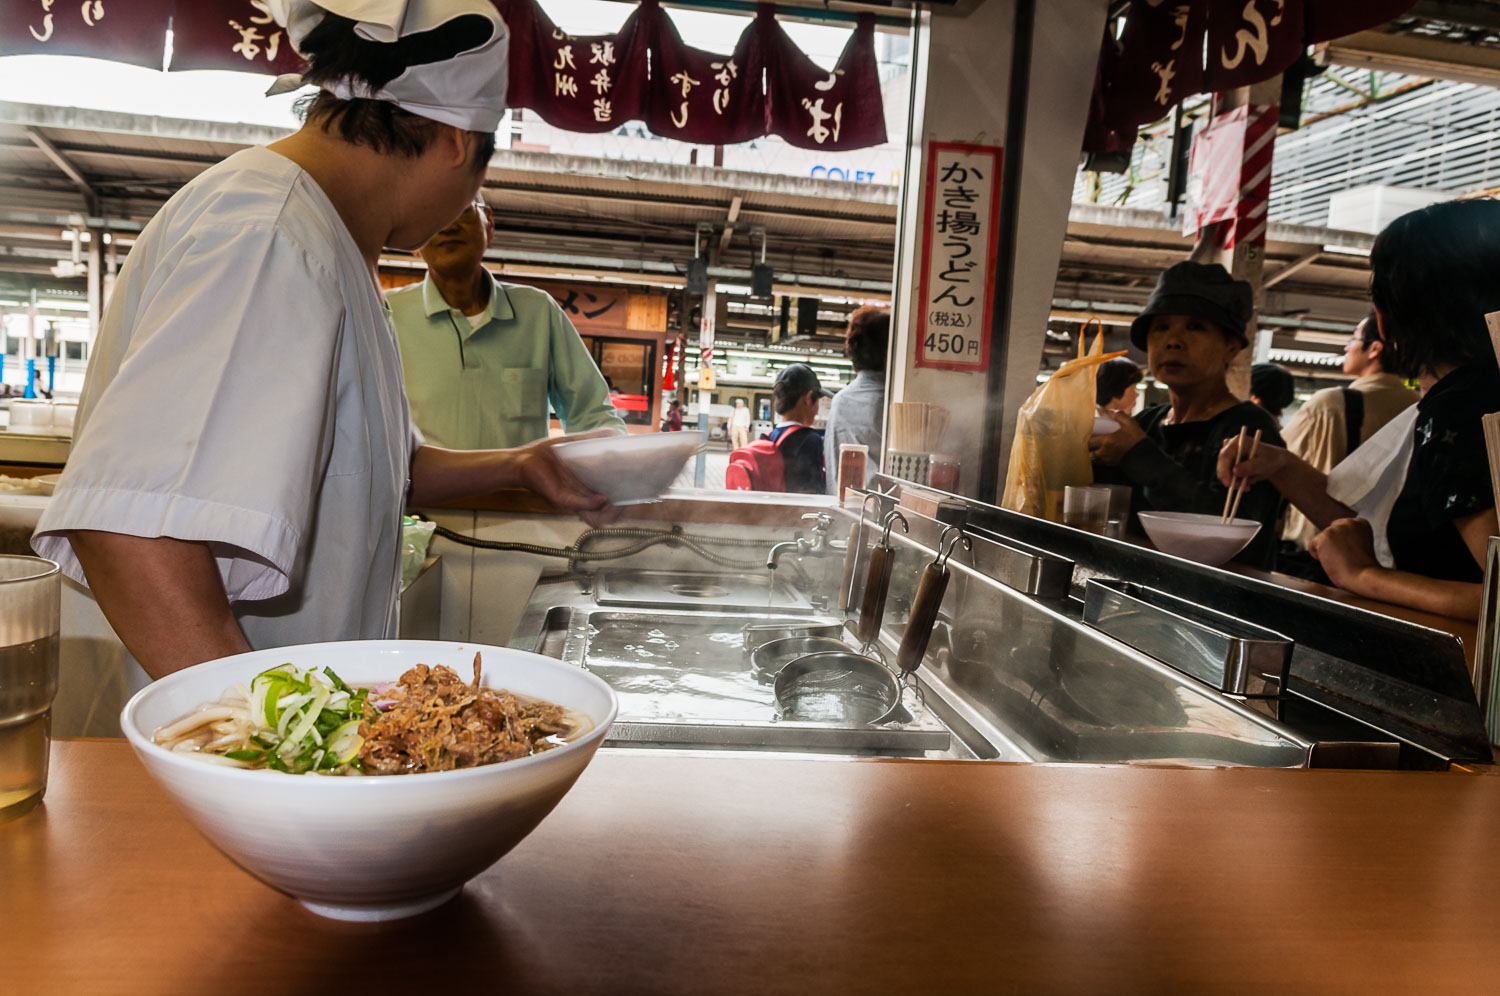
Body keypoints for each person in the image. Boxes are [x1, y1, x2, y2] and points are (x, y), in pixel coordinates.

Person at [30, 1, 614, 680]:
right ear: (458, 142)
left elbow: (371, 467)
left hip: (278, 763)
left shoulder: (325, 241)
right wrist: (269, 745)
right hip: (229, 769)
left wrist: (519, 466)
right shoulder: (270, 237)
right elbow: (128, 528)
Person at [1219, 199, 1500, 620]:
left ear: (1388, 318)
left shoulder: (1460, 410)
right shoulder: (1469, 394)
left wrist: (1362, 575)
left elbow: (1496, 596)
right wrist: (1281, 466)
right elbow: (1392, 532)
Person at [1088, 261, 1285, 567]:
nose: (1173, 341)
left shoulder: (1250, 430)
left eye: (1196, 327)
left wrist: (1139, 455)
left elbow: (1230, 534)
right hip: (1138, 590)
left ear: (1231, 347)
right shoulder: (1146, 423)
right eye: (1161, 327)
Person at [388, 198, 625, 448]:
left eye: (461, 210)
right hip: (425, 489)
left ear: (488, 223)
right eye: (431, 215)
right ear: (413, 239)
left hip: (521, 489)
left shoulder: (538, 312)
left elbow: (595, 417)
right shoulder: (389, 316)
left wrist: (609, 453)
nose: (448, 226)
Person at [1280, 311, 1419, 551]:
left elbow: (1280, 458)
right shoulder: (1420, 408)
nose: (1346, 348)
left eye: (1353, 339)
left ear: (1374, 349)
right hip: (1392, 551)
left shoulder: (1329, 404)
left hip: (1322, 549)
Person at [823, 305, 889, 495]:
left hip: (847, 513)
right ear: (889, 352)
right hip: (889, 516)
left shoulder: (840, 402)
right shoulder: (894, 401)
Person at [770, 363, 829, 494]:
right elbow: (809, 494)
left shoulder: (771, 436)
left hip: (773, 511)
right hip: (793, 513)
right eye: (817, 401)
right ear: (808, 398)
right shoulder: (810, 440)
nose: (817, 411)